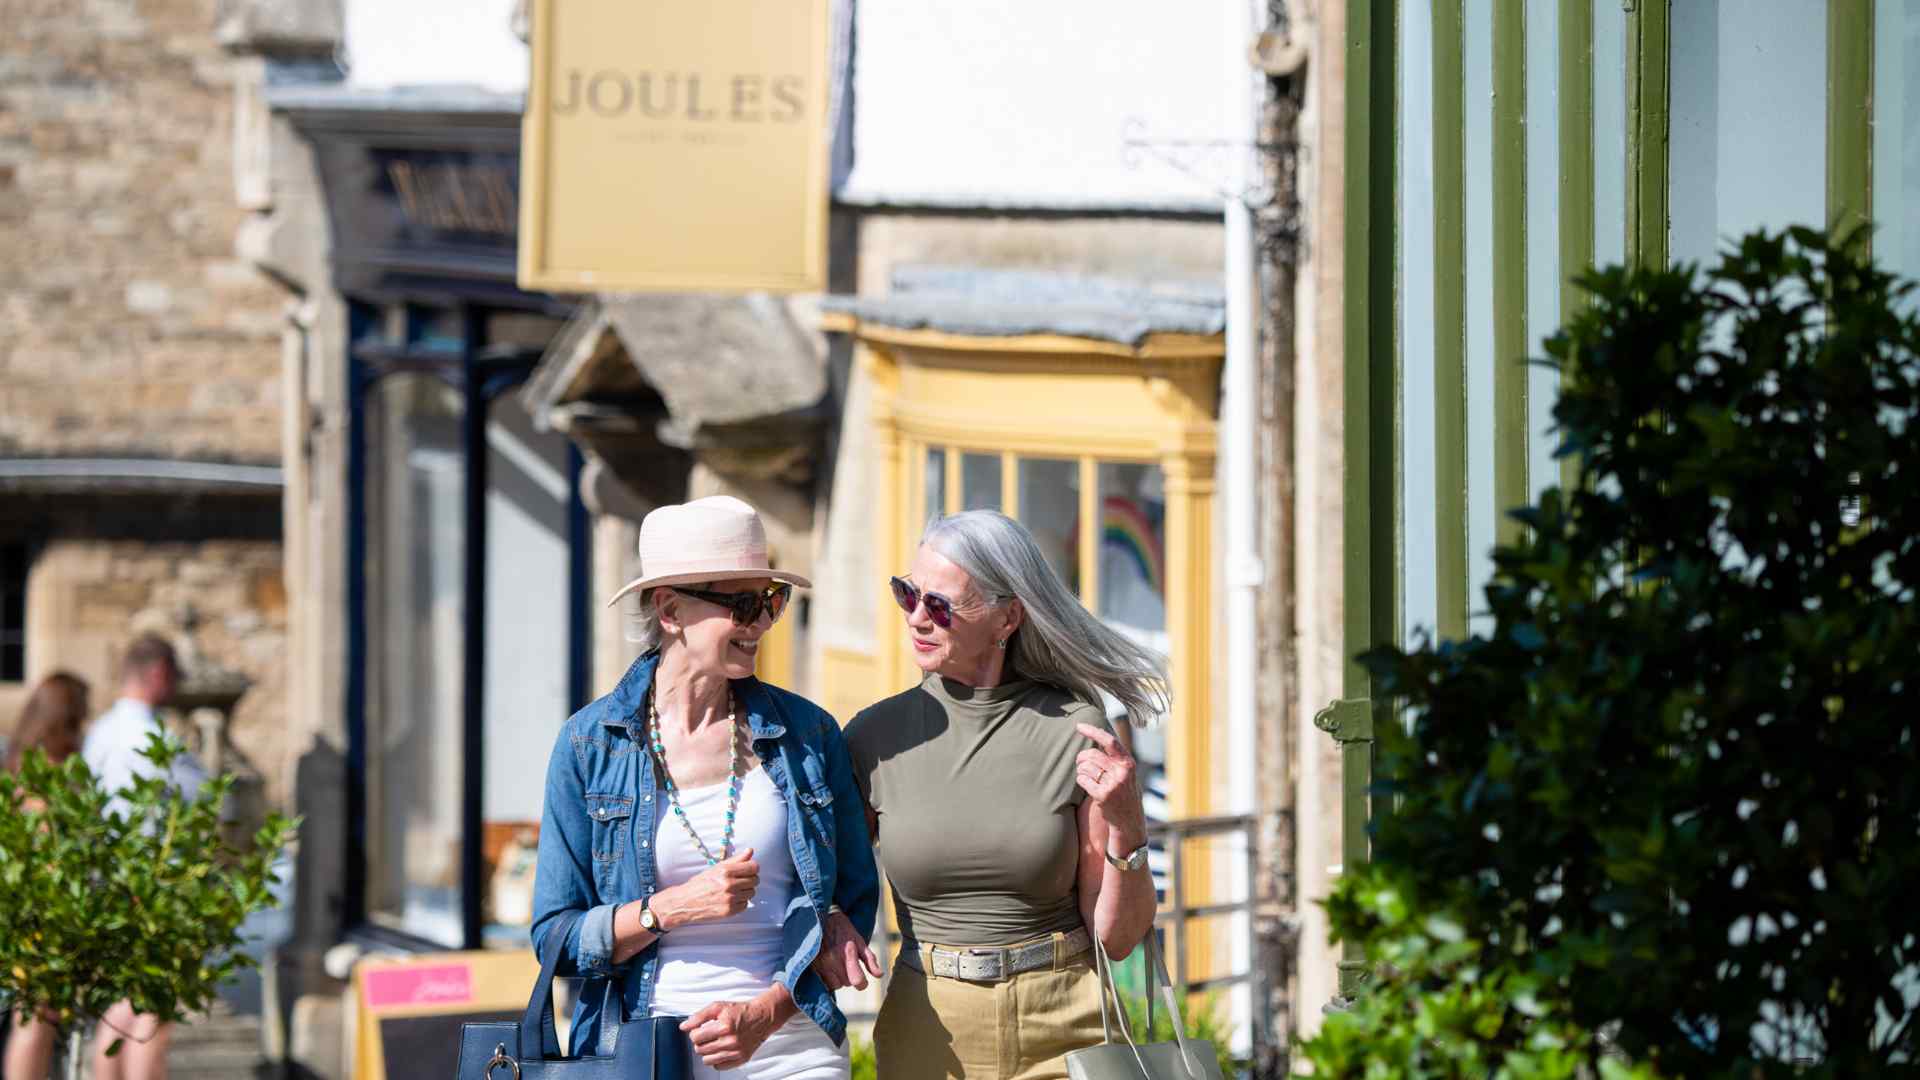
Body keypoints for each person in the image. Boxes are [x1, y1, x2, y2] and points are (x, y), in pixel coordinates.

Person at [531, 496, 880, 1079]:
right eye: (743, 604)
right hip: (642, 1050)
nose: (764, 622)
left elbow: (851, 899)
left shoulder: (809, 734)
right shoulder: (590, 745)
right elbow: (555, 941)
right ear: (669, 610)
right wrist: (671, 908)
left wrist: (766, 1013)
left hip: (790, 1041)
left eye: (772, 600)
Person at [841, 510, 1162, 1080]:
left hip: (1065, 1019)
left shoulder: (1075, 726)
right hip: (931, 1029)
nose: (917, 617)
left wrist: (1128, 824)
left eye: (939, 605)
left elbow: (1117, 938)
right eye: (907, 594)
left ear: (1007, 618)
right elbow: (832, 886)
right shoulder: (873, 738)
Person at [80, 634, 203, 1080]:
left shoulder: (101, 732)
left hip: (108, 885)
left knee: (117, 1015)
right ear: (158, 674)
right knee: (152, 1015)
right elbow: (201, 803)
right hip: (153, 888)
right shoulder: (151, 737)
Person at [3, 672, 91, 1080]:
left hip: (23, 912)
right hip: (43, 916)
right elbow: (50, 853)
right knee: (36, 1019)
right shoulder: (49, 775)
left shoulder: (19, 764)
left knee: (34, 1018)